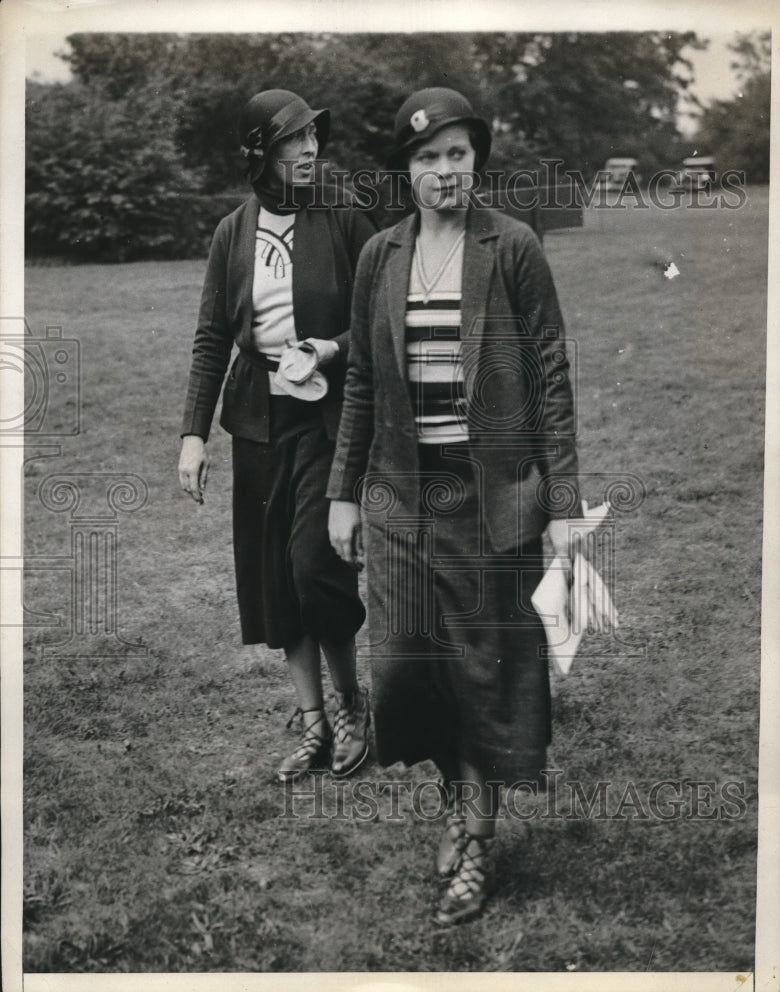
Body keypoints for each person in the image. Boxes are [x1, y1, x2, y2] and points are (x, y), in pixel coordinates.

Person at [327, 87, 580, 925]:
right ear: (406, 170)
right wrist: (342, 494)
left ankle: (475, 836)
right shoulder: (382, 256)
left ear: (477, 162)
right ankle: (453, 792)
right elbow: (361, 379)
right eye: (429, 158)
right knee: (405, 666)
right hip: (400, 496)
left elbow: (550, 375)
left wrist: (564, 500)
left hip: (491, 498)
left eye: (459, 155)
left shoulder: (511, 247)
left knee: (483, 669)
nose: (446, 171)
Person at [179, 89, 375, 784]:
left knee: (315, 566)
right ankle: (313, 721)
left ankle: (352, 701)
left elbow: (374, 322)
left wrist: (329, 349)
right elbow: (210, 338)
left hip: (326, 417)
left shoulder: (345, 217)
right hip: (259, 417)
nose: (310, 150)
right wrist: (193, 436)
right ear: (260, 153)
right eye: (293, 140)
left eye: (314, 138)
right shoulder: (233, 232)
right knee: (274, 583)